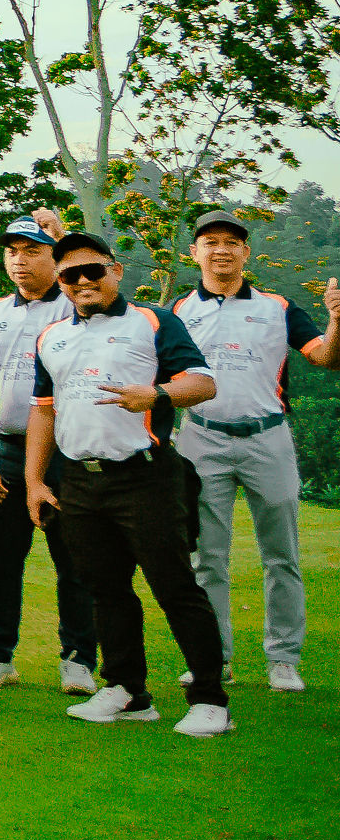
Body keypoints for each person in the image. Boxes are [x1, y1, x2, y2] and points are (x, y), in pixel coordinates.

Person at [30, 229, 229, 735]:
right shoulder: (51, 336)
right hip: (79, 478)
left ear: (115, 271)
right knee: (106, 589)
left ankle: (210, 699)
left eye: (92, 270)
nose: (82, 281)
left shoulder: (153, 321)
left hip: (145, 476)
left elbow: (203, 383)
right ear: (59, 281)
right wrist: (34, 480)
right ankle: (127, 691)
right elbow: (44, 410)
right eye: (70, 275)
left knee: (174, 586)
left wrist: (156, 395)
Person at [170, 205, 332, 694]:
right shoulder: (177, 311)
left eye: (232, 242)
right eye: (211, 242)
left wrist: (337, 320)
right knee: (207, 557)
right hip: (201, 437)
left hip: (268, 436)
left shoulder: (277, 307)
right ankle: (213, 659)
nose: (221, 250)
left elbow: (325, 356)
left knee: (281, 555)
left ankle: (283, 658)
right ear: (194, 252)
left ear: (246, 251)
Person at [0, 212, 96, 696]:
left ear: (54, 257)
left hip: (67, 451)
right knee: (1, 558)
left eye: (32, 251)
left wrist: (66, 241)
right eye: (12, 252)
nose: (20, 261)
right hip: (5, 447)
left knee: (76, 559)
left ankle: (78, 658)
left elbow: (101, 290)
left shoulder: (75, 303)